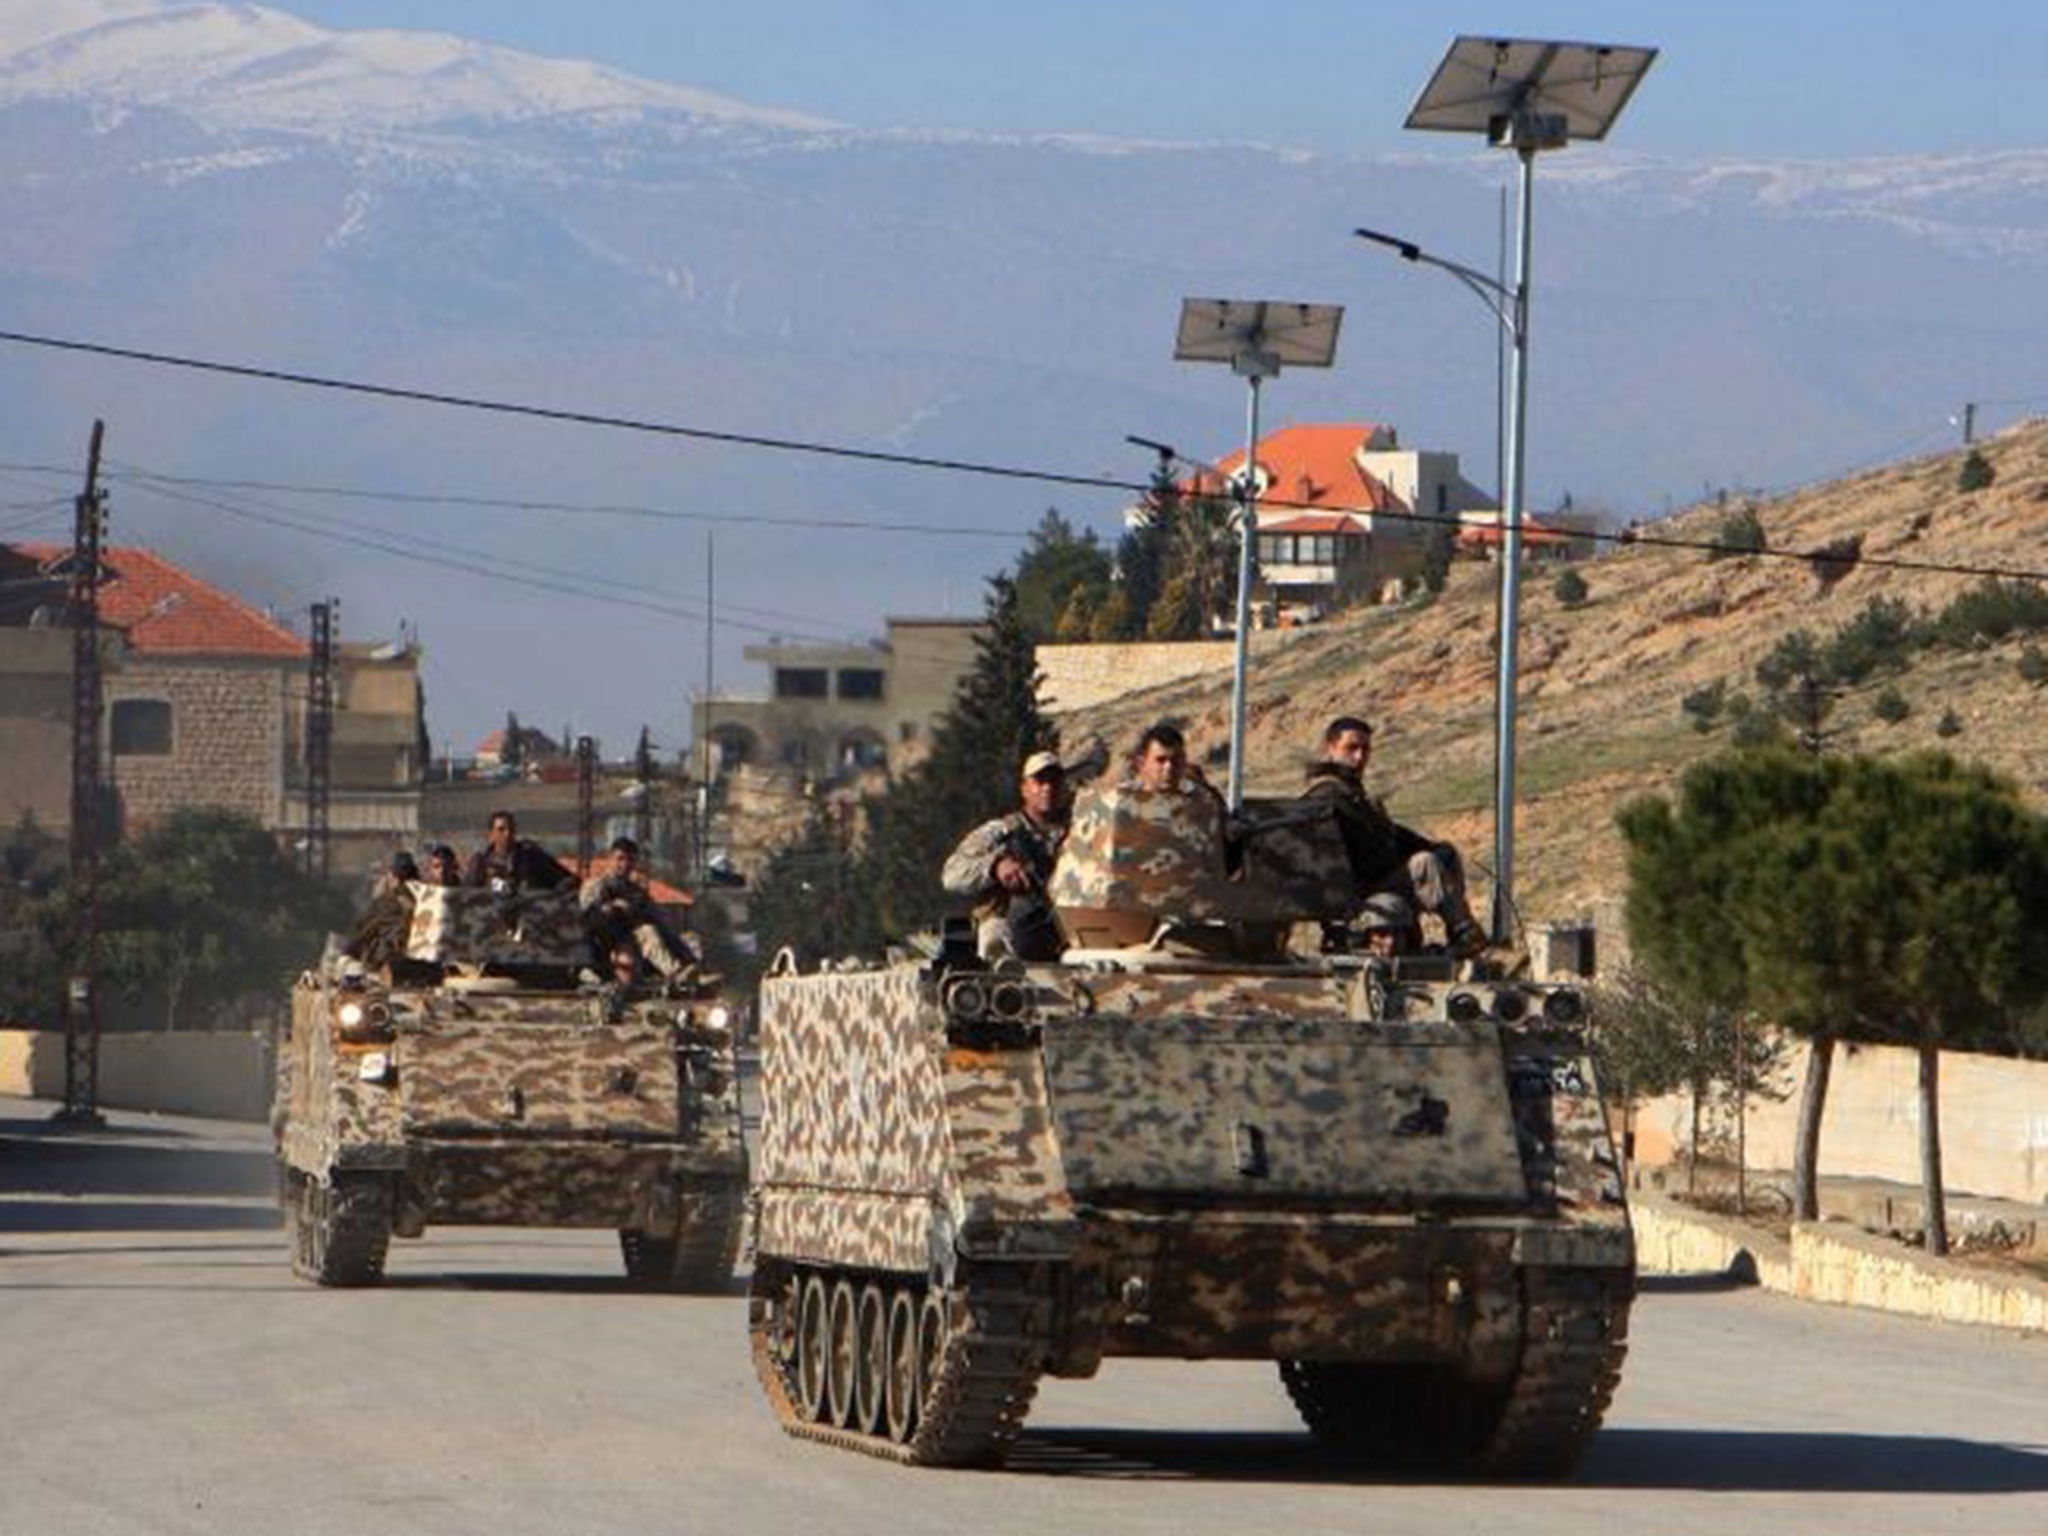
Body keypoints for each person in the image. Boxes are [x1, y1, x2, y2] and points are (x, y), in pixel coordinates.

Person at [1302, 715, 1486, 957]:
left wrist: (1431, 846)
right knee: (1424, 865)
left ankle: (1460, 935)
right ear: (1331, 748)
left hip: (1377, 880)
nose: (1359, 757)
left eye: (1365, 749)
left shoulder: (1353, 796)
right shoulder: (1325, 798)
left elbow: (1391, 835)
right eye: (1351, 748)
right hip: (1357, 892)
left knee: (1444, 854)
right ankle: (1464, 933)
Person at [941, 749, 1071, 961]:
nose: (1047, 788)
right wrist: (995, 867)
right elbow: (952, 875)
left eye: (1054, 781)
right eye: (1039, 781)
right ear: (1025, 788)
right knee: (995, 940)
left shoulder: (1080, 833)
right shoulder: (1001, 833)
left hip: (1068, 927)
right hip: (1010, 929)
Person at [580, 835, 697, 980]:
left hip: (630, 938)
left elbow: (657, 917)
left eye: (630, 860)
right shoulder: (597, 885)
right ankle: (675, 973)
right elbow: (588, 915)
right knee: (647, 932)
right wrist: (614, 907)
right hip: (605, 942)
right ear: (610, 859)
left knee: (656, 926)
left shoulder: (635, 890)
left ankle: (683, 967)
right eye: (620, 858)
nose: (625, 864)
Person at [465, 810, 571, 894]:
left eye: (511, 829)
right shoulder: (481, 863)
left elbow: (564, 879)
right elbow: (468, 894)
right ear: (492, 834)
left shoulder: (531, 857)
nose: (507, 834)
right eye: (501, 830)